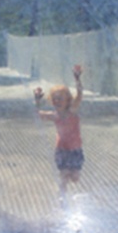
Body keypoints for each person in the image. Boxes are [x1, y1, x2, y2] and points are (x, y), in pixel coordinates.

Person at [34, 65, 84, 197]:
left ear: (68, 99)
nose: (57, 101)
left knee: (75, 177)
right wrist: (37, 101)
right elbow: (38, 114)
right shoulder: (54, 115)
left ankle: (68, 179)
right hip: (61, 150)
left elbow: (79, 95)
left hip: (75, 150)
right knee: (63, 175)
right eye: (54, 98)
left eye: (60, 98)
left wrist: (77, 79)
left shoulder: (72, 111)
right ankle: (62, 197)